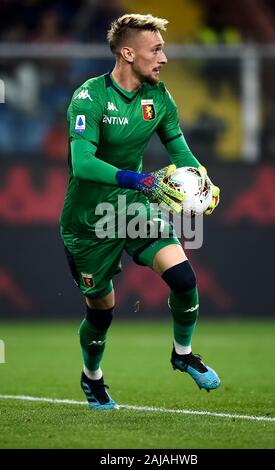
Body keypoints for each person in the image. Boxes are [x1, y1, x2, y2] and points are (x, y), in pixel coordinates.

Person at [60, 13, 221, 410]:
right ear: (128, 53)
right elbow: (82, 164)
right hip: (88, 222)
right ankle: (92, 377)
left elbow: (178, 148)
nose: (163, 58)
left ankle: (182, 354)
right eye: (156, 50)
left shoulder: (160, 98)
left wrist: (201, 180)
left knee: (184, 278)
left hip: (132, 209)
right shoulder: (90, 97)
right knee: (102, 313)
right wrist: (140, 180)